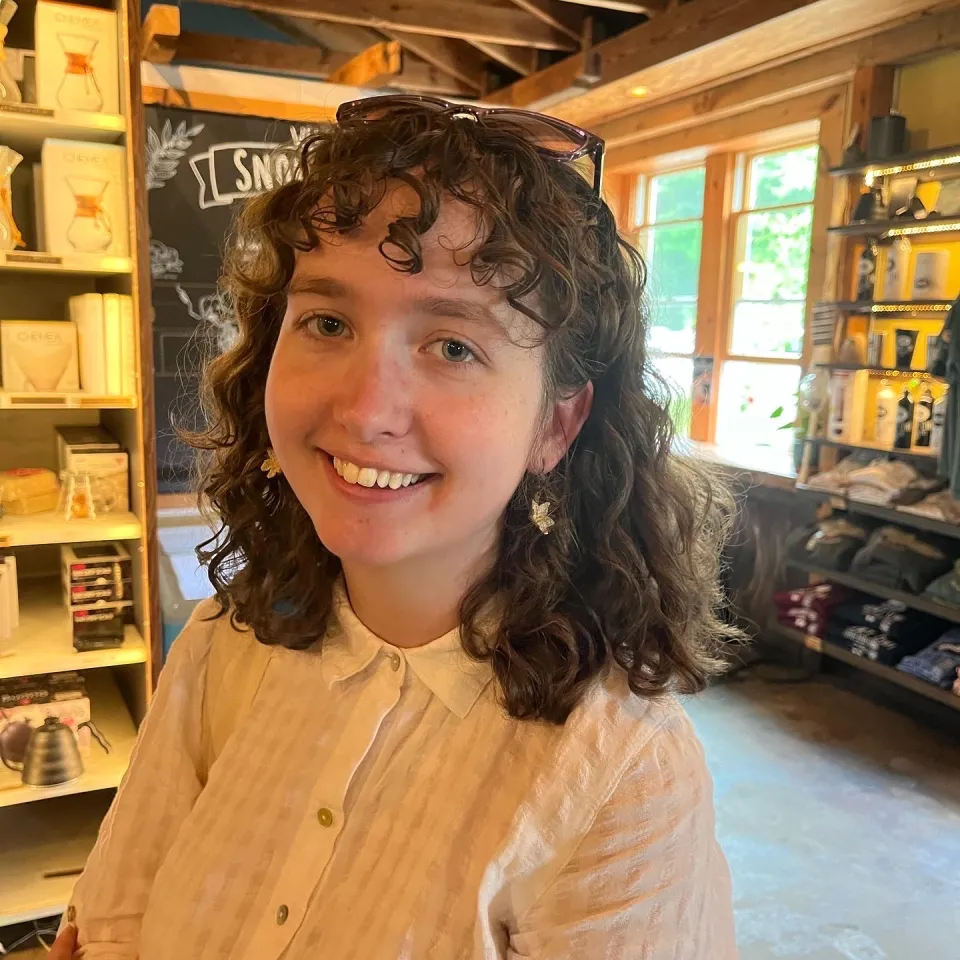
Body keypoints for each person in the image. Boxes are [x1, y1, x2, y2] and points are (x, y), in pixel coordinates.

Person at [51, 95, 739, 959]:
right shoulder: (227, 640)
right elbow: (114, 924)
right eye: (328, 323)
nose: (366, 410)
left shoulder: (622, 777)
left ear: (556, 425)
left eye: (453, 346)